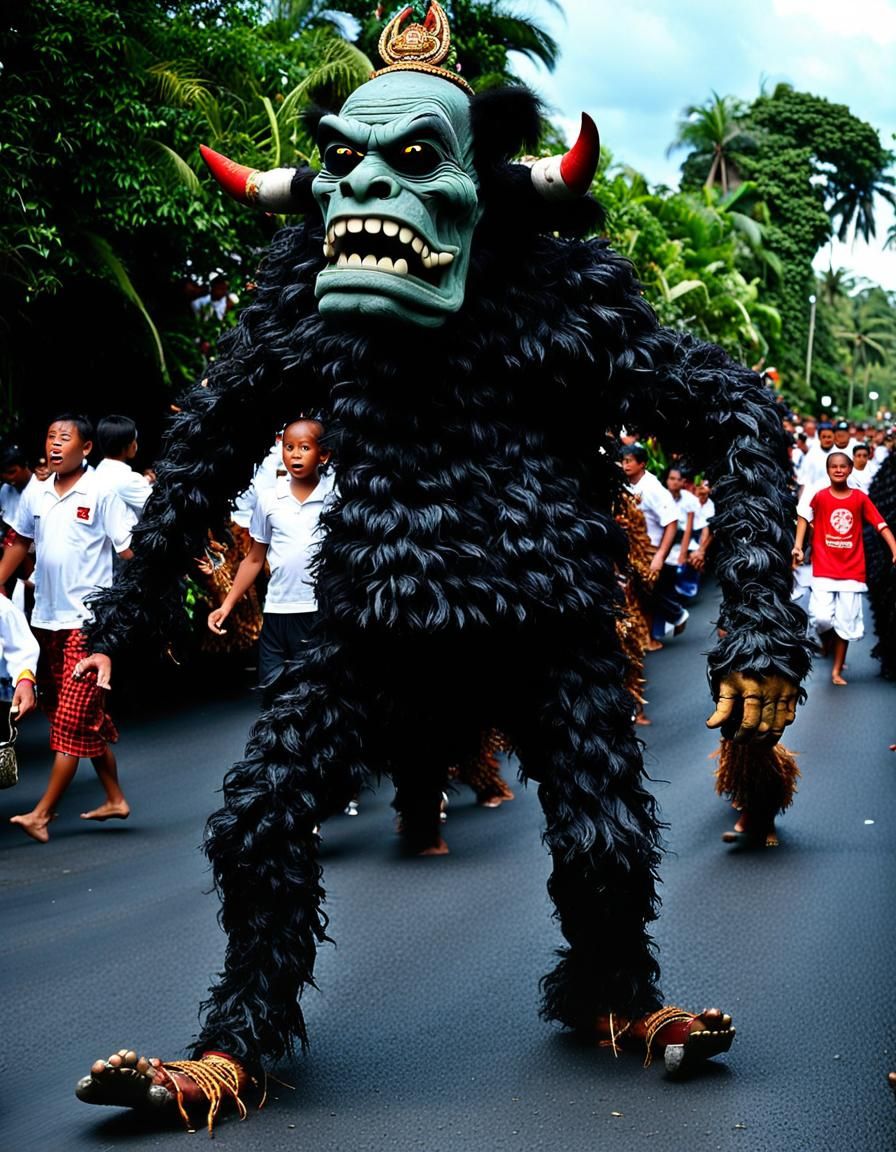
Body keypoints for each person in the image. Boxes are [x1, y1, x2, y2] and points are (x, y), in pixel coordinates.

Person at [72, 6, 808, 1130]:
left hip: (547, 621)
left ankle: (617, 993)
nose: (368, 189)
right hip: (379, 625)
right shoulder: (310, 310)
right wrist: (121, 617)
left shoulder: (561, 303)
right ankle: (238, 1040)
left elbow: (739, 421)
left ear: (482, 190)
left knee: (604, 838)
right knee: (258, 817)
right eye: (344, 163)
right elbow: (210, 447)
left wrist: (759, 621)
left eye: (412, 162)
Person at [0, 414, 137, 842]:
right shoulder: (36, 492)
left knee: (70, 719)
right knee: (82, 718)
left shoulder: (102, 491)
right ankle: (115, 798)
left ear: (87, 448)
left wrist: (152, 585)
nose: (55, 445)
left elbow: (129, 549)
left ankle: (42, 814)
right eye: (50, 436)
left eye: (65, 438)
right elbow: (20, 541)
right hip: (45, 621)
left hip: (88, 624)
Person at [207, 416, 335, 704]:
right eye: (289, 447)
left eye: (305, 447)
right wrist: (226, 605)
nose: (295, 454)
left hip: (318, 613)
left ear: (323, 455)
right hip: (277, 614)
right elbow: (254, 559)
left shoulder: (335, 499)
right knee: (273, 699)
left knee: (314, 701)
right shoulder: (269, 499)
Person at [792, 451, 896, 685]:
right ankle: (826, 639)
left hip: (852, 571)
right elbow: (803, 517)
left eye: (842, 467)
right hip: (824, 568)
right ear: (828, 471)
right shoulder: (819, 496)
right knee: (820, 618)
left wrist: (894, 548)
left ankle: (837, 670)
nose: (838, 470)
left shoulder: (860, 498)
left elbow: (881, 525)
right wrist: (798, 546)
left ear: (850, 470)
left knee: (846, 624)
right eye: (833, 467)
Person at [620, 444, 689, 644]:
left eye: (629, 461)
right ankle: (649, 638)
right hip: (635, 549)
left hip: (652, 549)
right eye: (622, 461)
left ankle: (676, 615)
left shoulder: (653, 489)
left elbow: (672, 522)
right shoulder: (626, 484)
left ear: (642, 464)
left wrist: (659, 556)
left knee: (648, 592)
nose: (625, 466)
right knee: (642, 595)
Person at [94, 415, 153, 513]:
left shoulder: (99, 472)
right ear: (132, 446)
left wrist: (147, 479)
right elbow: (158, 505)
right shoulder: (128, 480)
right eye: (134, 440)